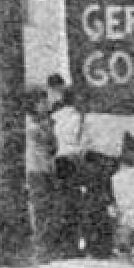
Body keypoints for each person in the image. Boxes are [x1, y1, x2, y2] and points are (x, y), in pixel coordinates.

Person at [79, 111, 134, 258]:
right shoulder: (123, 114)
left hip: (93, 159)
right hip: (108, 161)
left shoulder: (92, 113)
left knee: (94, 203)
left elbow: (84, 140)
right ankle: (103, 247)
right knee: (107, 203)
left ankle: (93, 245)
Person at [49, 90, 86, 258]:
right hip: (73, 161)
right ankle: (72, 245)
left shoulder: (55, 117)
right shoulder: (79, 118)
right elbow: (83, 141)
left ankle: (60, 244)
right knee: (74, 203)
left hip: (58, 160)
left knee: (60, 202)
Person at [24, 87, 60, 259]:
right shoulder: (29, 123)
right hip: (34, 167)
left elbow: (53, 147)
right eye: (42, 102)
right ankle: (40, 246)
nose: (46, 105)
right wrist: (47, 128)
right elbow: (43, 139)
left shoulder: (47, 122)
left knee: (49, 207)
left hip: (47, 166)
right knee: (39, 208)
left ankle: (47, 244)